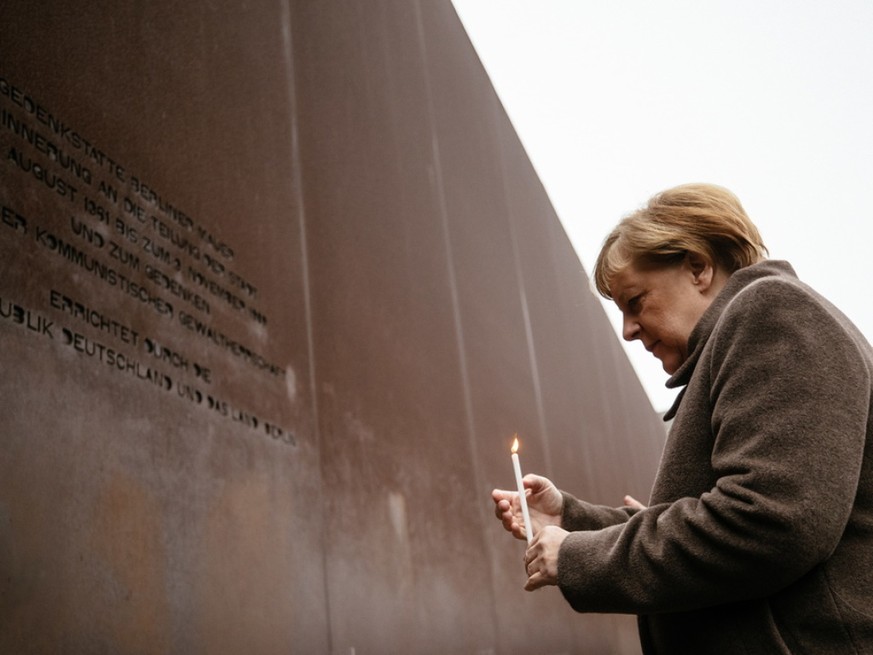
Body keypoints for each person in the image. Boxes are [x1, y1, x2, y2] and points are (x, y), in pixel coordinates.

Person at [492, 183, 873, 654]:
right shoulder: (746, 339)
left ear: (698, 267)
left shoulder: (772, 312)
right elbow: (724, 516)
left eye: (635, 302)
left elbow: (768, 522)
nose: (628, 331)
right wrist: (572, 518)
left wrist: (577, 556)